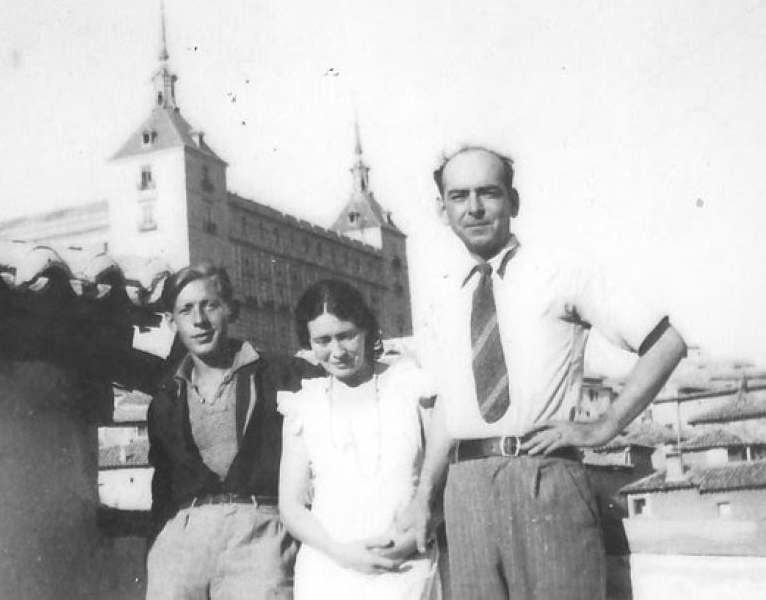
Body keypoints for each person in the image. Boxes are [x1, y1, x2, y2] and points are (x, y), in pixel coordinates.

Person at [409, 146, 687, 599]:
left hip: (546, 479)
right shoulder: (442, 297)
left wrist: (605, 425)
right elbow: (448, 406)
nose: (474, 208)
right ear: (442, 210)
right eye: (459, 196)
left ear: (513, 202)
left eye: (489, 193)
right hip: (466, 493)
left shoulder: (561, 270)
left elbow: (666, 343)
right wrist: (424, 499)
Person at [145, 262, 320, 599]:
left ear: (230, 310)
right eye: (185, 310)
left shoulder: (281, 373)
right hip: (181, 545)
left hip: (260, 534)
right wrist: (157, 551)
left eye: (209, 305)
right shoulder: (166, 398)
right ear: (171, 321)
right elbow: (162, 489)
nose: (199, 320)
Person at [278, 279, 440, 600]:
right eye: (323, 340)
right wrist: (340, 552)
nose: (337, 351)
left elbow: (443, 482)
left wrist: (403, 546)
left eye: (346, 335)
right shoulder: (304, 405)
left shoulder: (410, 386)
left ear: (366, 329)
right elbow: (291, 506)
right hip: (329, 570)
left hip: (407, 567)